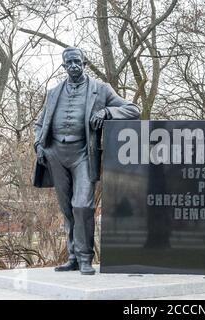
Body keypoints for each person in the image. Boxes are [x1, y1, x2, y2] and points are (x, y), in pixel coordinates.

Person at [32, 47, 139, 275]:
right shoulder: (53, 92)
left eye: (77, 62)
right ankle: (72, 257)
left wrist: (107, 112)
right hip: (55, 154)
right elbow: (40, 124)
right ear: (63, 66)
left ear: (85, 63)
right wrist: (38, 145)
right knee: (67, 209)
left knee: (82, 205)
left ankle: (85, 257)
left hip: (82, 153)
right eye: (69, 62)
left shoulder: (101, 90)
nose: (73, 66)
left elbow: (133, 110)